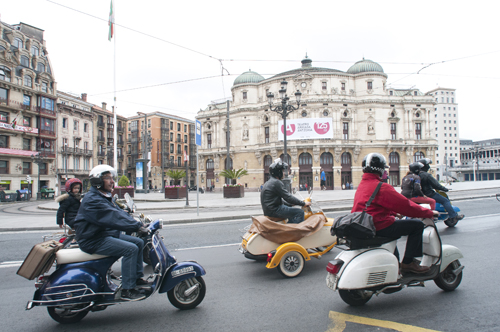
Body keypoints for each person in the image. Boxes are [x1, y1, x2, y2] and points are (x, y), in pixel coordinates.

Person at [73, 165, 150, 301]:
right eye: (107, 178)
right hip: (92, 239)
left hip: (102, 234)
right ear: (97, 181)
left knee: (138, 242)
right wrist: (136, 226)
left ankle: (137, 279)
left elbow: (118, 212)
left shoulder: (102, 196)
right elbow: (112, 216)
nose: (112, 181)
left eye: (112, 178)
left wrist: (138, 224)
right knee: (131, 249)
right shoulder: (93, 200)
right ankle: (127, 289)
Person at [352, 153, 438, 274]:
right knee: (416, 225)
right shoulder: (382, 186)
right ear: (381, 169)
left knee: (395, 229)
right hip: (378, 224)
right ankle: (409, 263)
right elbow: (406, 206)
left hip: (364, 224)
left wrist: (393, 212)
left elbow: (371, 204)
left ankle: (396, 264)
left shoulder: (362, 184)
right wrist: (428, 213)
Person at [260, 159, 312, 223]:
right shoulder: (276, 182)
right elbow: (288, 197)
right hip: (274, 211)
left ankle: (289, 227)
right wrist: (303, 203)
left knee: (290, 208)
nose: (284, 173)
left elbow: (278, 200)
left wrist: (291, 204)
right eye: (283, 171)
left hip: (270, 210)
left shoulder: (270, 182)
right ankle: (294, 232)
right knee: (300, 212)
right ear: (278, 172)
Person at [418, 158, 464, 225]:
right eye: (427, 165)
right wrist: (445, 189)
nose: (429, 166)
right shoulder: (427, 175)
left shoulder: (415, 175)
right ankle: (454, 216)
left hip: (419, 194)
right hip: (429, 194)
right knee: (445, 201)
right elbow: (436, 185)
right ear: (424, 166)